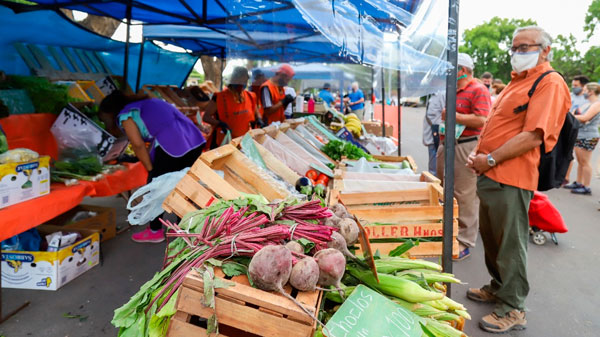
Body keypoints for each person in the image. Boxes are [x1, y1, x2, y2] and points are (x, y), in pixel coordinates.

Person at [466, 26, 570, 333]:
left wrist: (491, 158)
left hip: (510, 176)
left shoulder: (549, 82)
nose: (518, 53)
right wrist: (479, 156)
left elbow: (534, 135)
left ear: (545, 50)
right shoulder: (516, 83)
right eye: (515, 48)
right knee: (493, 239)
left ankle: (513, 308)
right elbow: (496, 126)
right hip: (489, 173)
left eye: (525, 47)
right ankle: (499, 287)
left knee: (510, 244)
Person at [99, 91, 206, 243]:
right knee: (184, 185)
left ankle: (155, 231)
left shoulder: (126, 115)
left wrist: (150, 169)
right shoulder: (149, 102)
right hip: (192, 139)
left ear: (111, 112)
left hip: (173, 144)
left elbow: (137, 144)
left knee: (155, 187)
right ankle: (184, 227)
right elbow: (156, 134)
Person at [436, 52, 491, 261]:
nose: (448, 73)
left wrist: (453, 116)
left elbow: (482, 119)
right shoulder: (455, 90)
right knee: (444, 189)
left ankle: (465, 240)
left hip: (465, 145)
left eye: (452, 69)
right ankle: (449, 232)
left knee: (464, 194)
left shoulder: (478, 90)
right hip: (447, 143)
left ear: (463, 70)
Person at [203, 66, 259, 148]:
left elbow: (256, 113)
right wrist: (220, 123)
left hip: (242, 142)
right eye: (239, 81)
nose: (241, 84)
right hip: (223, 141)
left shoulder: (250, 96)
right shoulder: (219, 97)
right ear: (233, 80)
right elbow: (206, 117)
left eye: (244, 81)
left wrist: (259, 120)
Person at [567, 82, 600, 195]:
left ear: (591, 91)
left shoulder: (596, 104)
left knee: (585, 162)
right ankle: (579, 182)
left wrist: (569, 116)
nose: (583, 92)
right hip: (581, 134)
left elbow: (586, 118)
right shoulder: (588, 104)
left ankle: (586, 186)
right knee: (580, 161)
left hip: (588, 135)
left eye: (585, 90)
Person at [563, 75, 591, 186]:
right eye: (573, 85)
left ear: (583, 86)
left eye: (576, 85)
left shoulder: (588, 100)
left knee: (583, 161)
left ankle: (585, 185)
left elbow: (585, 117)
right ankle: (566, 177)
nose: (574, 87)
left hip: (582, 131)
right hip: (568, 128)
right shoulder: (570, 96)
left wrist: (572, 116)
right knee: (567, 154)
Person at [422, 91, 445, 174]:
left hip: (435, 136)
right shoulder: (432, 94)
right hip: (430, 135)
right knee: (432, 165)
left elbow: (446, 112)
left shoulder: (442, 94)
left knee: (434, 169)